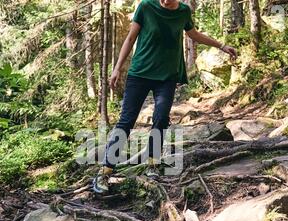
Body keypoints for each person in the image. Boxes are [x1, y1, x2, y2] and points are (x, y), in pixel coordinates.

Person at [93, 0, 237, 194]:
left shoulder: (183, 12)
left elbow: (193, 34)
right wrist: (117, 68)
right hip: (140, 74)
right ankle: (105, 170)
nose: (164, 1)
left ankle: (153, 164)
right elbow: (130, 39)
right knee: (126, 122)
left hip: (166, 77)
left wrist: (221, 46)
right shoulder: (146, 7)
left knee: (161, 119)